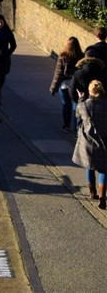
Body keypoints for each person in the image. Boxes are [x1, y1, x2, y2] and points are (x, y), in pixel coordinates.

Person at [72, 79, 107, 208]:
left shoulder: (84, 105)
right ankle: (102, 196)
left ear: (90, 91)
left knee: (89, 167)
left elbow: (77, 116)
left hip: (87, 142)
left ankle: (92, 193)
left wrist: (80, 99)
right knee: (104, 170)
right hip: (104, 142)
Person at [49, 36, 84, 132]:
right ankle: (77, 129)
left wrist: (53, 88)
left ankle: (66, 126)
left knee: (66, 105)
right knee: (76, 106)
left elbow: (58, 73)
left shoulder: (63, 56)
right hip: (76, 85)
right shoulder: (82, 56)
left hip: (64, 85)